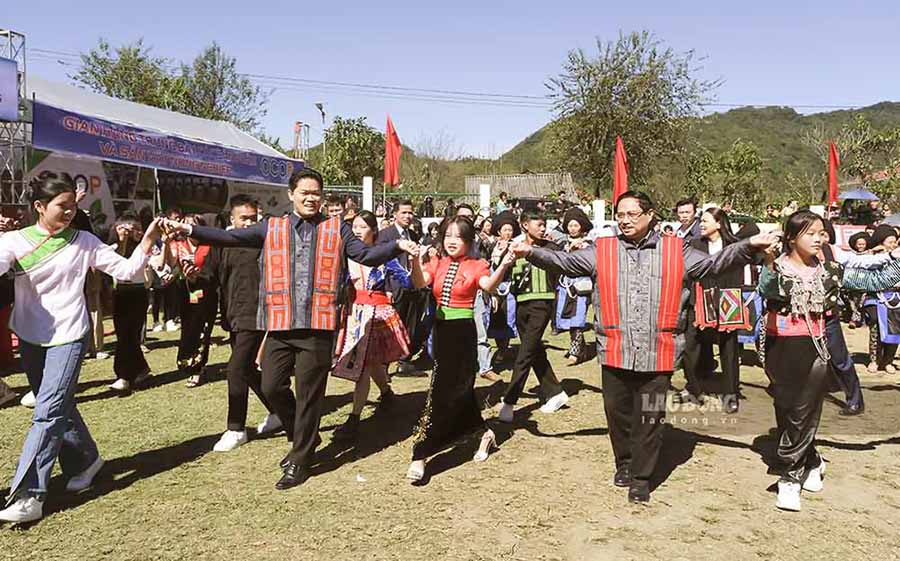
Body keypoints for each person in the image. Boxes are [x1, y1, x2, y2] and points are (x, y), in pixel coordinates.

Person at [508, 191, 777, 504]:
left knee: (650, 415)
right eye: (620, 214)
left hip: (658, 348)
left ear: (651, 215)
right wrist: (529, 251)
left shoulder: (677, 250)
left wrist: (748, 246)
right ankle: (624, 462)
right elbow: (565, 261)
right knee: (617, 412)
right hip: (615, 347)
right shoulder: (602, 250)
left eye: (632, 214)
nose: (624, 220)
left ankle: (641, 477)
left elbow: (715, 265)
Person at [160, 169, 417, 490]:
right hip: (280, 323)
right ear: (291, 194)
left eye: (316, 193)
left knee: (309, 394)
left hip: (318, 325)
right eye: (305, 193)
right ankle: (303, 436)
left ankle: (301, 457)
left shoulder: (336, 229)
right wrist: (188, 229)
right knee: (270, 385)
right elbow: (231, 237)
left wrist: (397, 246)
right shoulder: (273, 227)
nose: (311, 198)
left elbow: (365, 255)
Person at [0, 172, 162, 524]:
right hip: (29, 335)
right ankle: (86, 459)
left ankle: (30, 494)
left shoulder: (84, 241)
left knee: (46, 413)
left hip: (70, 335)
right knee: (58, 407)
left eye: (74, 205)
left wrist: (147, 241)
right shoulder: (13, 241)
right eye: (63, 206)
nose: (70, 212)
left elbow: (129, 271)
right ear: (40, 206)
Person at [757, 211, 900, 511]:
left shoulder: (831, 271)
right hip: (778, 348)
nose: (820, 239)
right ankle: (812, 460)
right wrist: (768, 261)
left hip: (815, 348)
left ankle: (789, 478)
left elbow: (878, 279)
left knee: (803, 411)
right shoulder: (776, 268)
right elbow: (768, 289)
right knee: (786, 409)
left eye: (822, 233)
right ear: (792, 237)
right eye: (811, 233)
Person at [406, 216, 516, 482]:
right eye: (448, 236)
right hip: (441, 332)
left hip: (463, 333)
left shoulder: (478, 264)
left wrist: (503, 265)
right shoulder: (437, 262)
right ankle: (485, 434)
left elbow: (489, 287)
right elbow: (420, 284)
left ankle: (421, 453)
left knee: (443, 391)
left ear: (469, 241)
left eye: (458, 236)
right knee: (458, 392)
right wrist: (414, 261)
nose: (452, 241)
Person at [208, 195, 282, 452]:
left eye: (253, 218)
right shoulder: (222, 243)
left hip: (257, 314)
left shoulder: (264, 242)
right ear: (232, 219)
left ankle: (236, 428)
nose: (249, 223)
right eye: (244, 219)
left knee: (235, 369)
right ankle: (281, 411)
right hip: (233, 314)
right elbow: (212, 275)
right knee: (248, 370)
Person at [332, 210, 410, 441]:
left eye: (362, 227)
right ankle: (386, 394)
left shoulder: (383, 256)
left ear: (373, 231)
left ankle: (354, 418)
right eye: (353, 226)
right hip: (355, 315)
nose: (356, 230)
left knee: (364, 365)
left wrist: (415, 261)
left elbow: (405, 280)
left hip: (376, 316)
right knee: (370, 362)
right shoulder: (344, 258)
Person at [498, 211, 569, 421]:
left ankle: (509, 402)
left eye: (544, 224)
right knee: (534, 350)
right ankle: (556, 393)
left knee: (525, 353)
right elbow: (502, 273)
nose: (543, 228)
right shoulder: (514, 247)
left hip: (543, 304)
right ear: (525, 225)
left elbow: (565, 264)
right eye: (539, 224)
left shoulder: (552, 248)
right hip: (520, 305)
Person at [676, 208, 745, 413]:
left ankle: (730, 395)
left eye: (705, 221)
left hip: (727, 301)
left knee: (728, 350)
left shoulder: (734, 246)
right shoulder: (694, 245)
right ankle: (695, 389)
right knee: (690, 347)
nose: (702, 225)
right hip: (699, 301)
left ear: (719, 223)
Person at [170, 215, 218, 388]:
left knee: (203, 331)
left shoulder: (210, 246)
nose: (188, 228)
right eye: (185, 224)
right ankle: (186, 360)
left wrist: (197, 274)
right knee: (188, 330)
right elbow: (168, 266)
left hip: (206, 293)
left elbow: (214, 271)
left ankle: (198, 368)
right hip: (184, 292)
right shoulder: (177, 245)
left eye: (193, 225)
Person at [107, 214, 153, 393]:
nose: (131, 231)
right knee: (123, 335)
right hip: (121, 291)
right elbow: (116, 264)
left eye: (134, 228)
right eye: (126, 228)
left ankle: (124, 376)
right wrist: (121, 241)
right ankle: (139, 370)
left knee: (131, 334)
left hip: (138, 291)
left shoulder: (144, 246)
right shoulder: (114, 246)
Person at [555, 207, 594, 366]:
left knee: (578, 318)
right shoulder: (561, 244)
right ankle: (580, 348)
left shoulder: (590, 245)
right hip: (566, 285)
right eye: (570, 225)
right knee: (568, 319)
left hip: (581, 286)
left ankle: (575, 352)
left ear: (582, 227)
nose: (572, 228)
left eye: (576, 225)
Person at [864, 225, 900, 373]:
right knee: (876, 330)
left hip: (896, 298)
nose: (892, 245)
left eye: (894, 242)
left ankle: (888, 361)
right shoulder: (873, 258)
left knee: (895, 331)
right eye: (889, 242)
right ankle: (874, 359)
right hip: (877, 298)